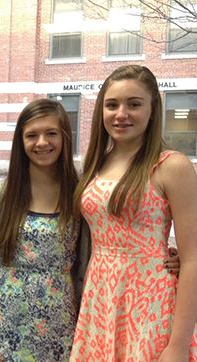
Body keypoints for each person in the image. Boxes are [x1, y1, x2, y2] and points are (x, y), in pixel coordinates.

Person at [70, 65, 197, 361]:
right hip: (100, 299)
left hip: (150, 300)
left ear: (153, 110)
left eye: (134, 104)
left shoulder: (171, 165)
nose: (121, 114)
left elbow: (192, 259)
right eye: (112, 105)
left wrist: (178, 345)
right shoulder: (96, 164)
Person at [0, 98, 81, 361]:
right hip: (2, 330)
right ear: (21, 141)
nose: (42, 142)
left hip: (62, 332)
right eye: (32, 135)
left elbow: (110, 248)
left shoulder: (80, 196)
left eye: (51, 133)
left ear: (64, 137)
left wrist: (169, 258)